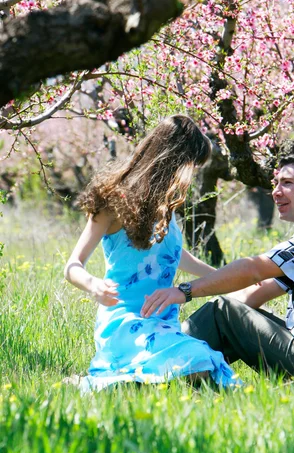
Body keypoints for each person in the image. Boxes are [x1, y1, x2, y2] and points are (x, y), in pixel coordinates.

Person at [141, 152, 294, 377]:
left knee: (221, 311)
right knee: (223, 314)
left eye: (288, 183)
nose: (276, 191)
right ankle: (179, 374)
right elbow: (258, 291)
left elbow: (254, 270)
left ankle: (152, 374)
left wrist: (184, 291)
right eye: (277, 183)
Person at [64, 115, 240, 392]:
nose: (193, 174)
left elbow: (175, 256)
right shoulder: (114, 201)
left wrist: (228, 279)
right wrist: (93, 285)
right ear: (174, 160)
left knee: (202, 365)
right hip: (124, 320)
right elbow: (72, 265)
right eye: (191, 166)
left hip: (162, 321)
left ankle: (131, 383)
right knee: (199, 364)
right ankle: (101, 382)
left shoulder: (165, 206)